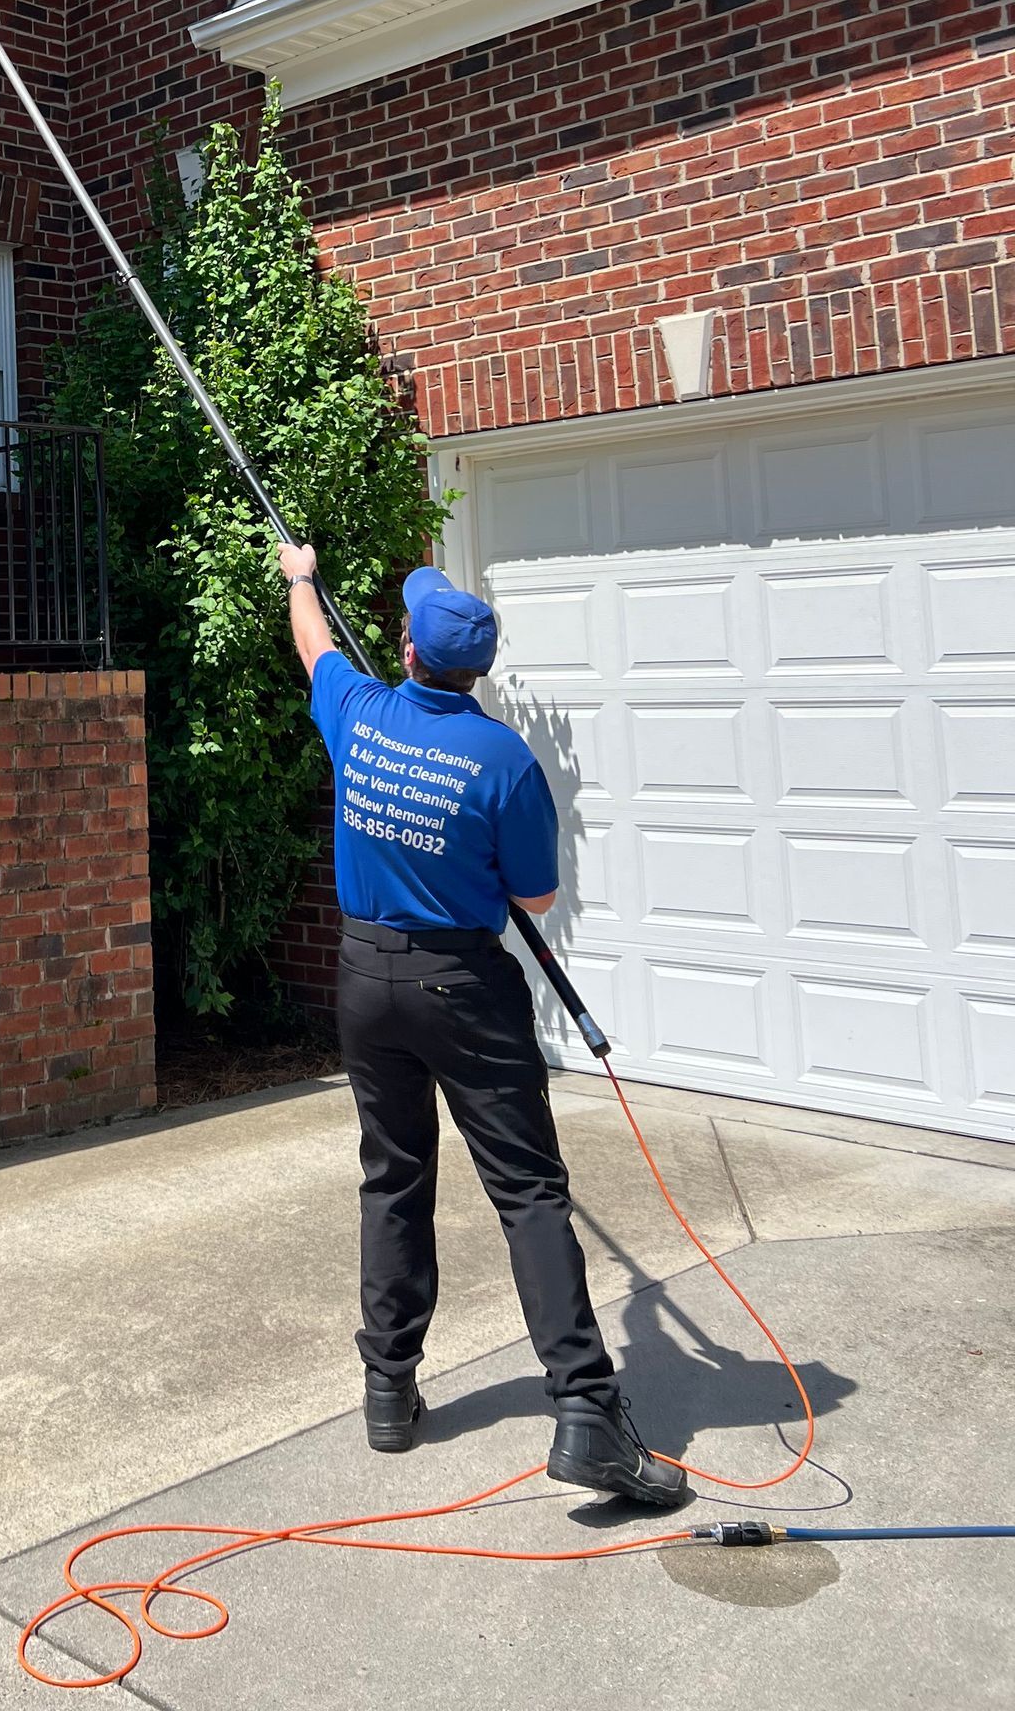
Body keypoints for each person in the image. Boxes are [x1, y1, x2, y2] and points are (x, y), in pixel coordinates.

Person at [279, 544, 686, 1510]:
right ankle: (585, 1414)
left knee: (394, 1174)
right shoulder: (503, 757)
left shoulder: (361, 713)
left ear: (410, 653)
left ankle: (389, 1389)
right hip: (463, 984)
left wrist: (302, 574)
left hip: (364, 979)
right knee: (530, 1195)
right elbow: (536, 897)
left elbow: (312, 645)